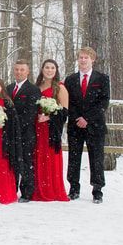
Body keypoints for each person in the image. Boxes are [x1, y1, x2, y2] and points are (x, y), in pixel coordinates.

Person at [64, 47, 110, 203]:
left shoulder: (102, 79)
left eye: (86, 58)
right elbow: (68, 102)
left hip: (95, 125)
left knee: (96, 158)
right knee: (74, 158)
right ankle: (74, 188)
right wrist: (78, 118)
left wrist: (88, 119)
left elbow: (104, 102)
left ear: (93, 60)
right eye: (81, 57)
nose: (83, 60)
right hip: (75, 126)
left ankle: (97, 190)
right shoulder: (70, 80)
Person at [33, 59, 70, 202]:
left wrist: (49, 117)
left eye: (52, 68)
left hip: (50, 129)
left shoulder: (60, 88)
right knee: (37, 157)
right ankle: (37, 189)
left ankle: (51, 189)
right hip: (36, 127)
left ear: (56, 70)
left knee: (49, 157)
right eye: (47, 67)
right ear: (42, 70)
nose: (49, 70)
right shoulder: (37, 87)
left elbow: (65, 112)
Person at [6, 60, 41, 203]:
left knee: (26, 162)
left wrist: (15, 125)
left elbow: (30, 113)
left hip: (25, 132)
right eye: (16, 69)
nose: (19, 72)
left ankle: (27, 192)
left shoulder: (33, 90)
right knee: (11, 161)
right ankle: (11, 189)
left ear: (27, 72)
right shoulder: (7, 88)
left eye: (22, 70)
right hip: (9, 133)